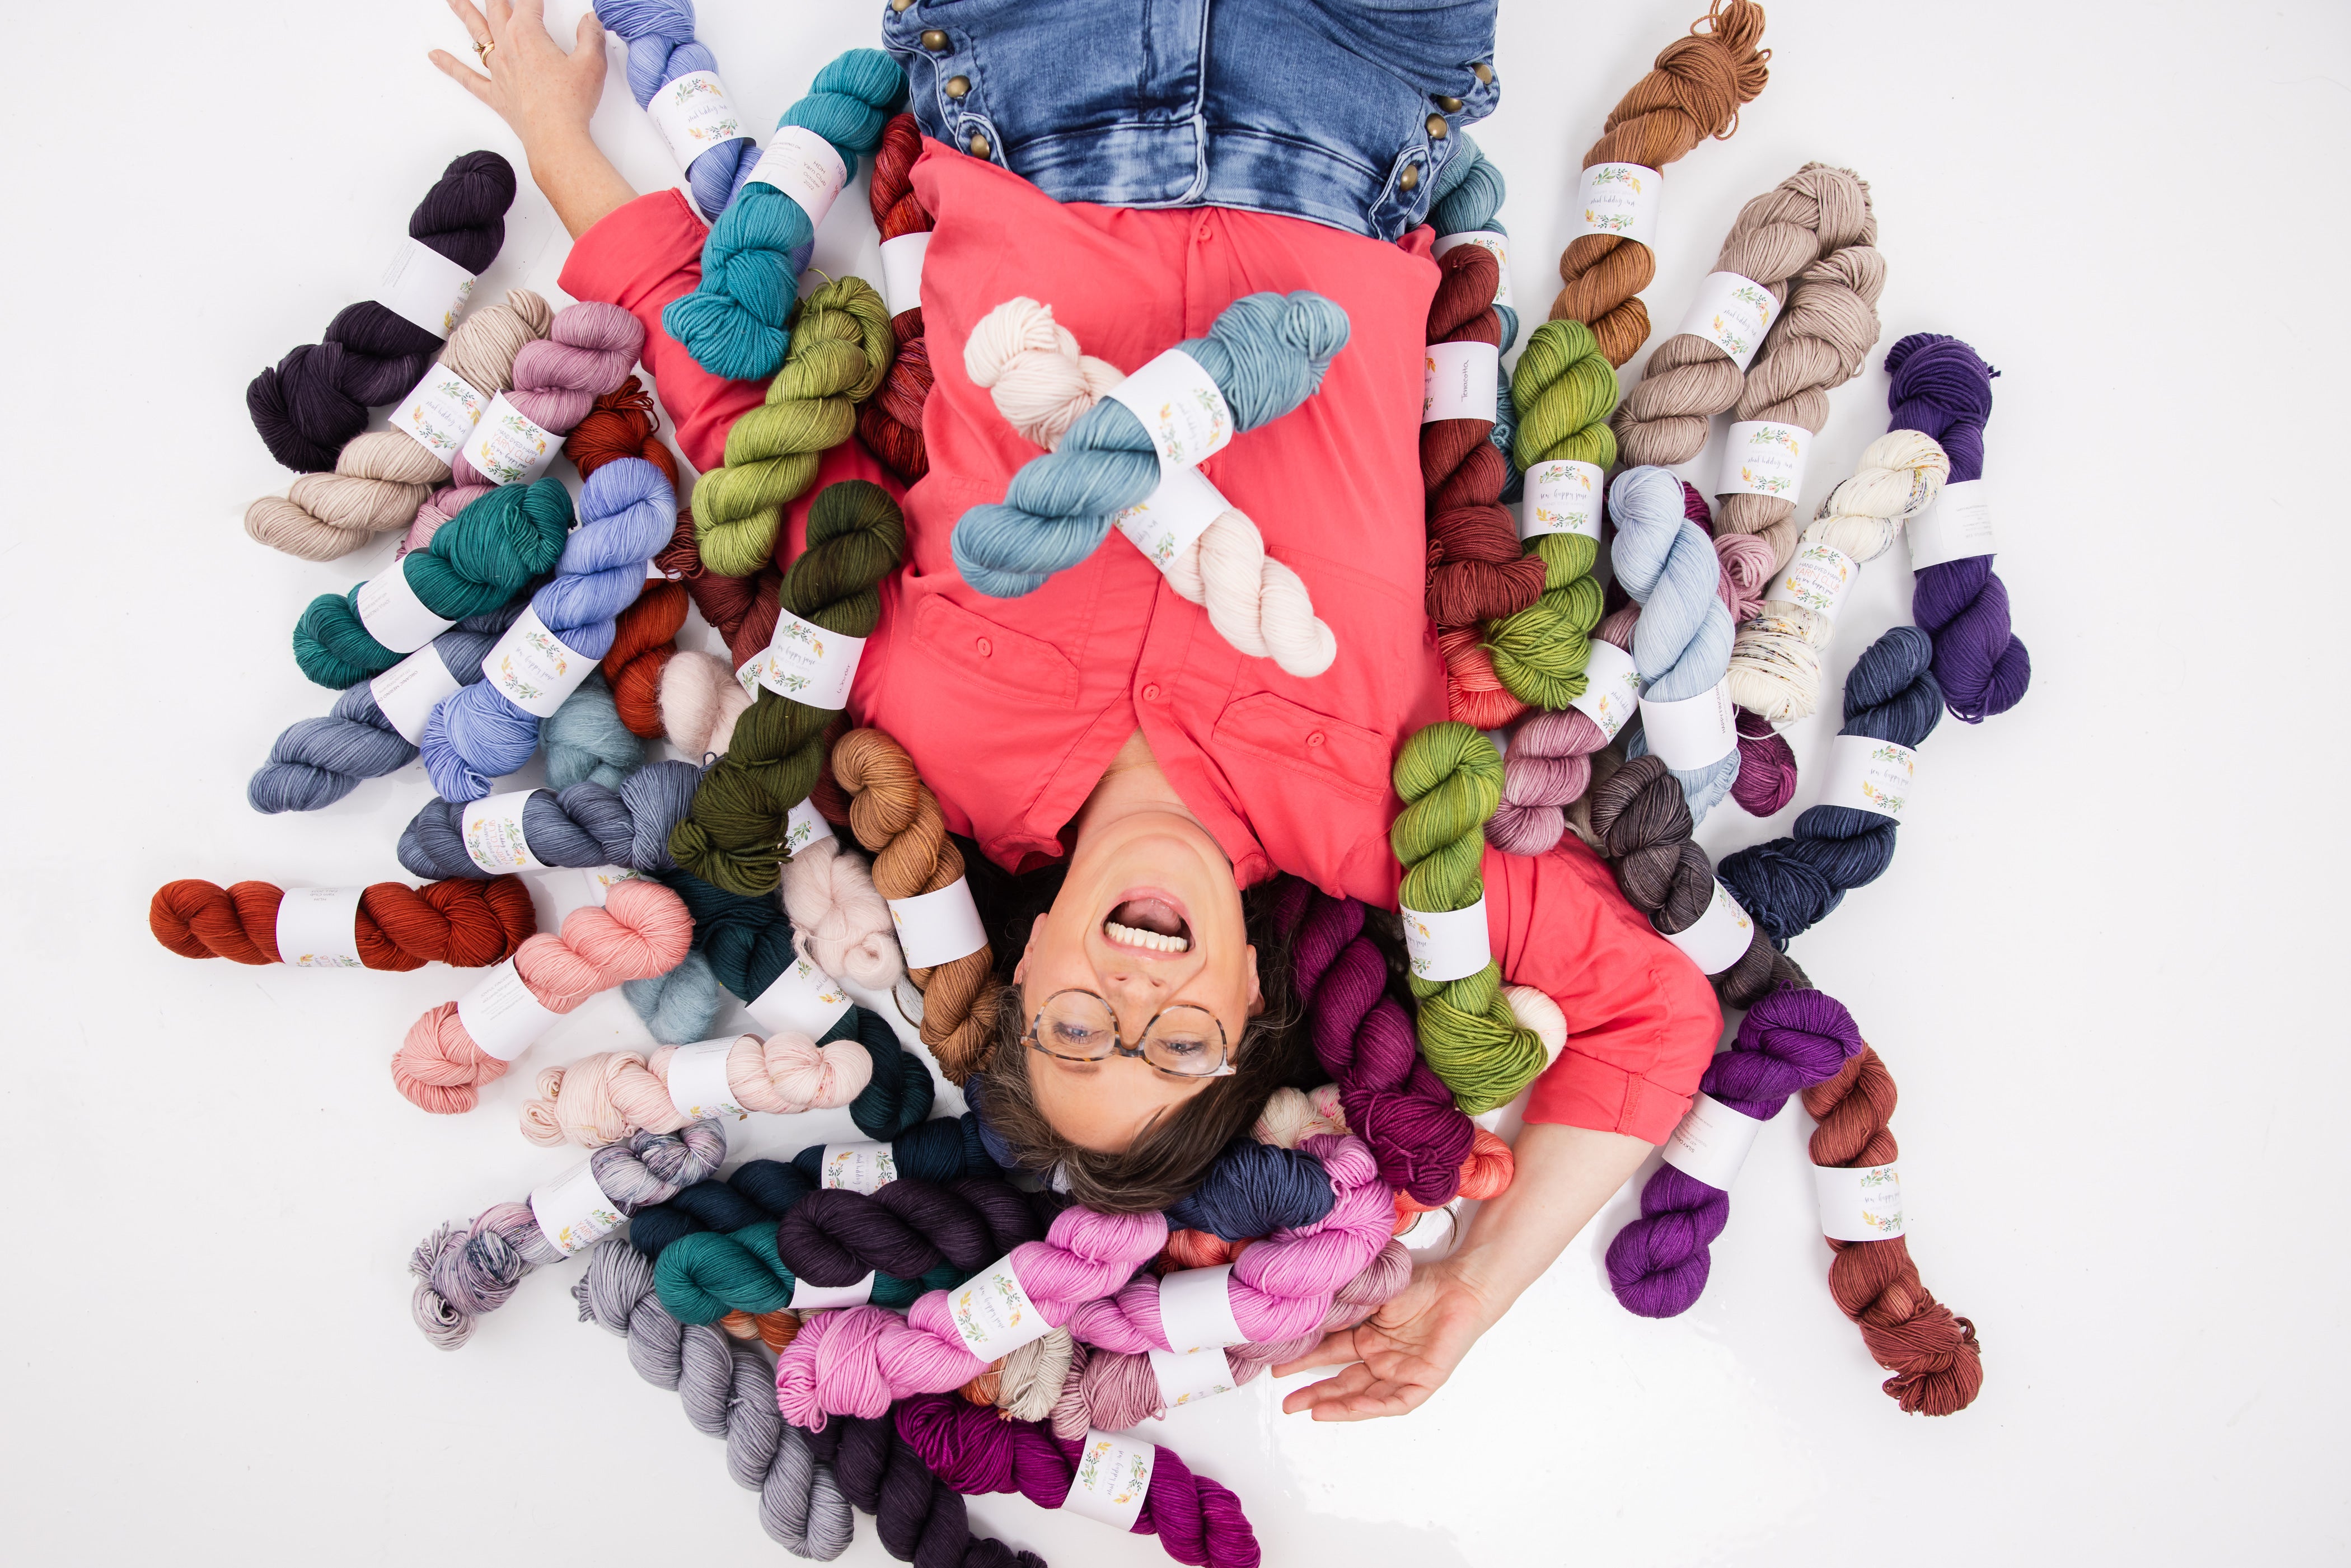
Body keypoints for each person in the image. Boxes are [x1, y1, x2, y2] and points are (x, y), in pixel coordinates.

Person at [430, 0, 1720, 1424]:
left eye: (1075, 1033)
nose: (1133, 1003)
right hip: (1350, 102)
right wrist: (1474, 1289)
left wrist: (557, 137)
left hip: (1036, 84)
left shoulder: (914, 740)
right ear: (1248, 1004)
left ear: (1027, 960)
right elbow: (1653, 1020)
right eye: (1176, 1045)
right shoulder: (1383, 824)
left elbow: (735, 414)